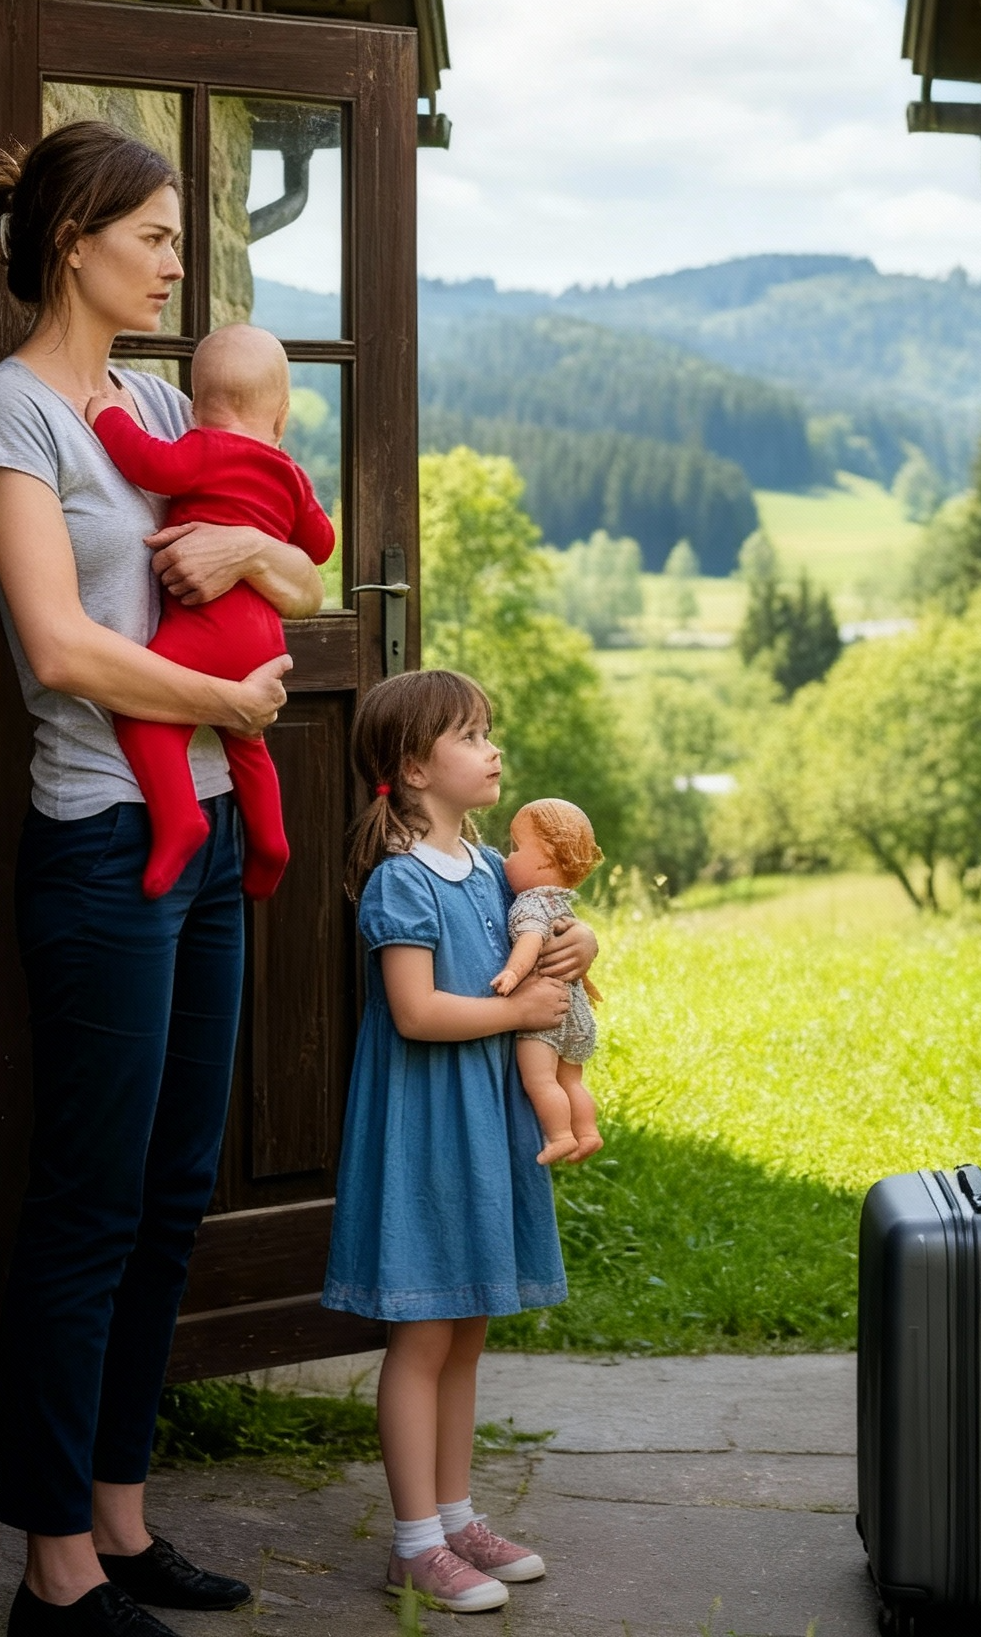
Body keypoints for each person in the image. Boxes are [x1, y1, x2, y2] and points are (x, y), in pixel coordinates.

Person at [0, 120, 325, 1637]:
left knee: (175, 1191)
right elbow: (57, 647)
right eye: (157, 235)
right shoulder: (13, 415)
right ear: (75, 244)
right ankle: (51, 1569)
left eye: (178, 239)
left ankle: (119, 1519)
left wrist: (246, 562)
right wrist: (229, 708)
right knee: (94, 1200)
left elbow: (307, 563)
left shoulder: (168, 401)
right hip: (106, 841)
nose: (178, 261)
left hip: (217, 830)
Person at [324, 670, 590, 1614]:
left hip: (481, 1123)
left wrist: (578, 949)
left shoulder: (485, 868)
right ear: (412, 767)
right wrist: (519, 1007)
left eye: (489, 730)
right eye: (472, 736)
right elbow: (417, 1011)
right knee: (425, 1334)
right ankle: (411, 1544)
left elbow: (554, 920)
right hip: (426, 1130)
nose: (494, 749)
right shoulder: (401, 881)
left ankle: (455, 1515)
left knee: (467, 1329)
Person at [85, 321, 336, 902]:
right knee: (246, 743)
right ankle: (271, 842)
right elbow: (320, 546)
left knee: (142, 715)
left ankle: (179, 823)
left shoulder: (200, 447)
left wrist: (108, 417)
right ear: (282, 416)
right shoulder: (289, 473)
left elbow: (151, 465)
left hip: (205, 632)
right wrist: (288, 497)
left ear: (196, 408)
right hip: (262, 642)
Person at [493, 797, 607, 1165]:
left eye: (514, 848)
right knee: (571, 1081)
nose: (506, 858)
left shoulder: (529, 903)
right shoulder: (561, 903)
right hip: (576, 1014)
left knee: (541, 1081)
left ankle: (560, 1137)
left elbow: (530, 941)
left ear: (543, 859)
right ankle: (587, 1133)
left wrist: (513, 971)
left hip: (545, 1016)